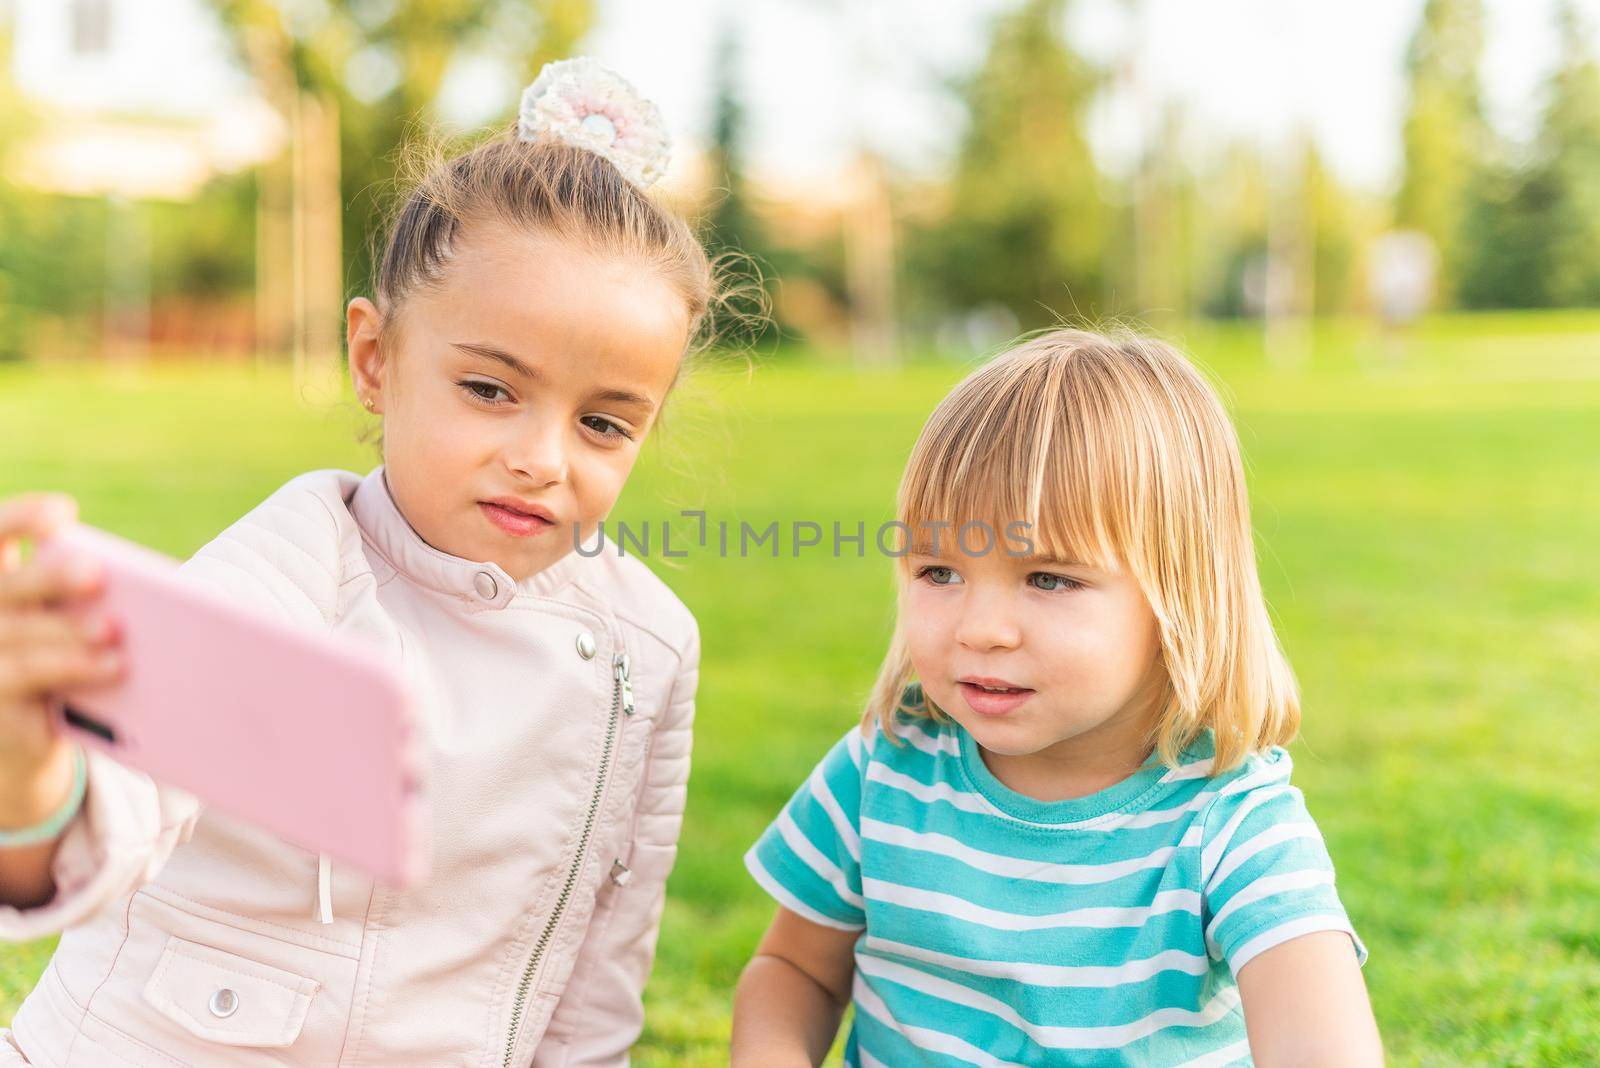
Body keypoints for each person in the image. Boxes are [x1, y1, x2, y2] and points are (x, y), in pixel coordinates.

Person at [0, 57, 715, 1066]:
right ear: (375, 359)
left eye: (603, 423)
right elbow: (126, 799)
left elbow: (600, 958)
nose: (542, 459)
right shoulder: (294, 564)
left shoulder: (649, 645)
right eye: (491, 391)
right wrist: (32, 780)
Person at [729, 329, 1383, 1066]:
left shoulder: (1229, 823)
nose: (982, 630)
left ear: (1181, 598)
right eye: (939, 572)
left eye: (1049, 579)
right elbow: (796, 971)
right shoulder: (884, 771)